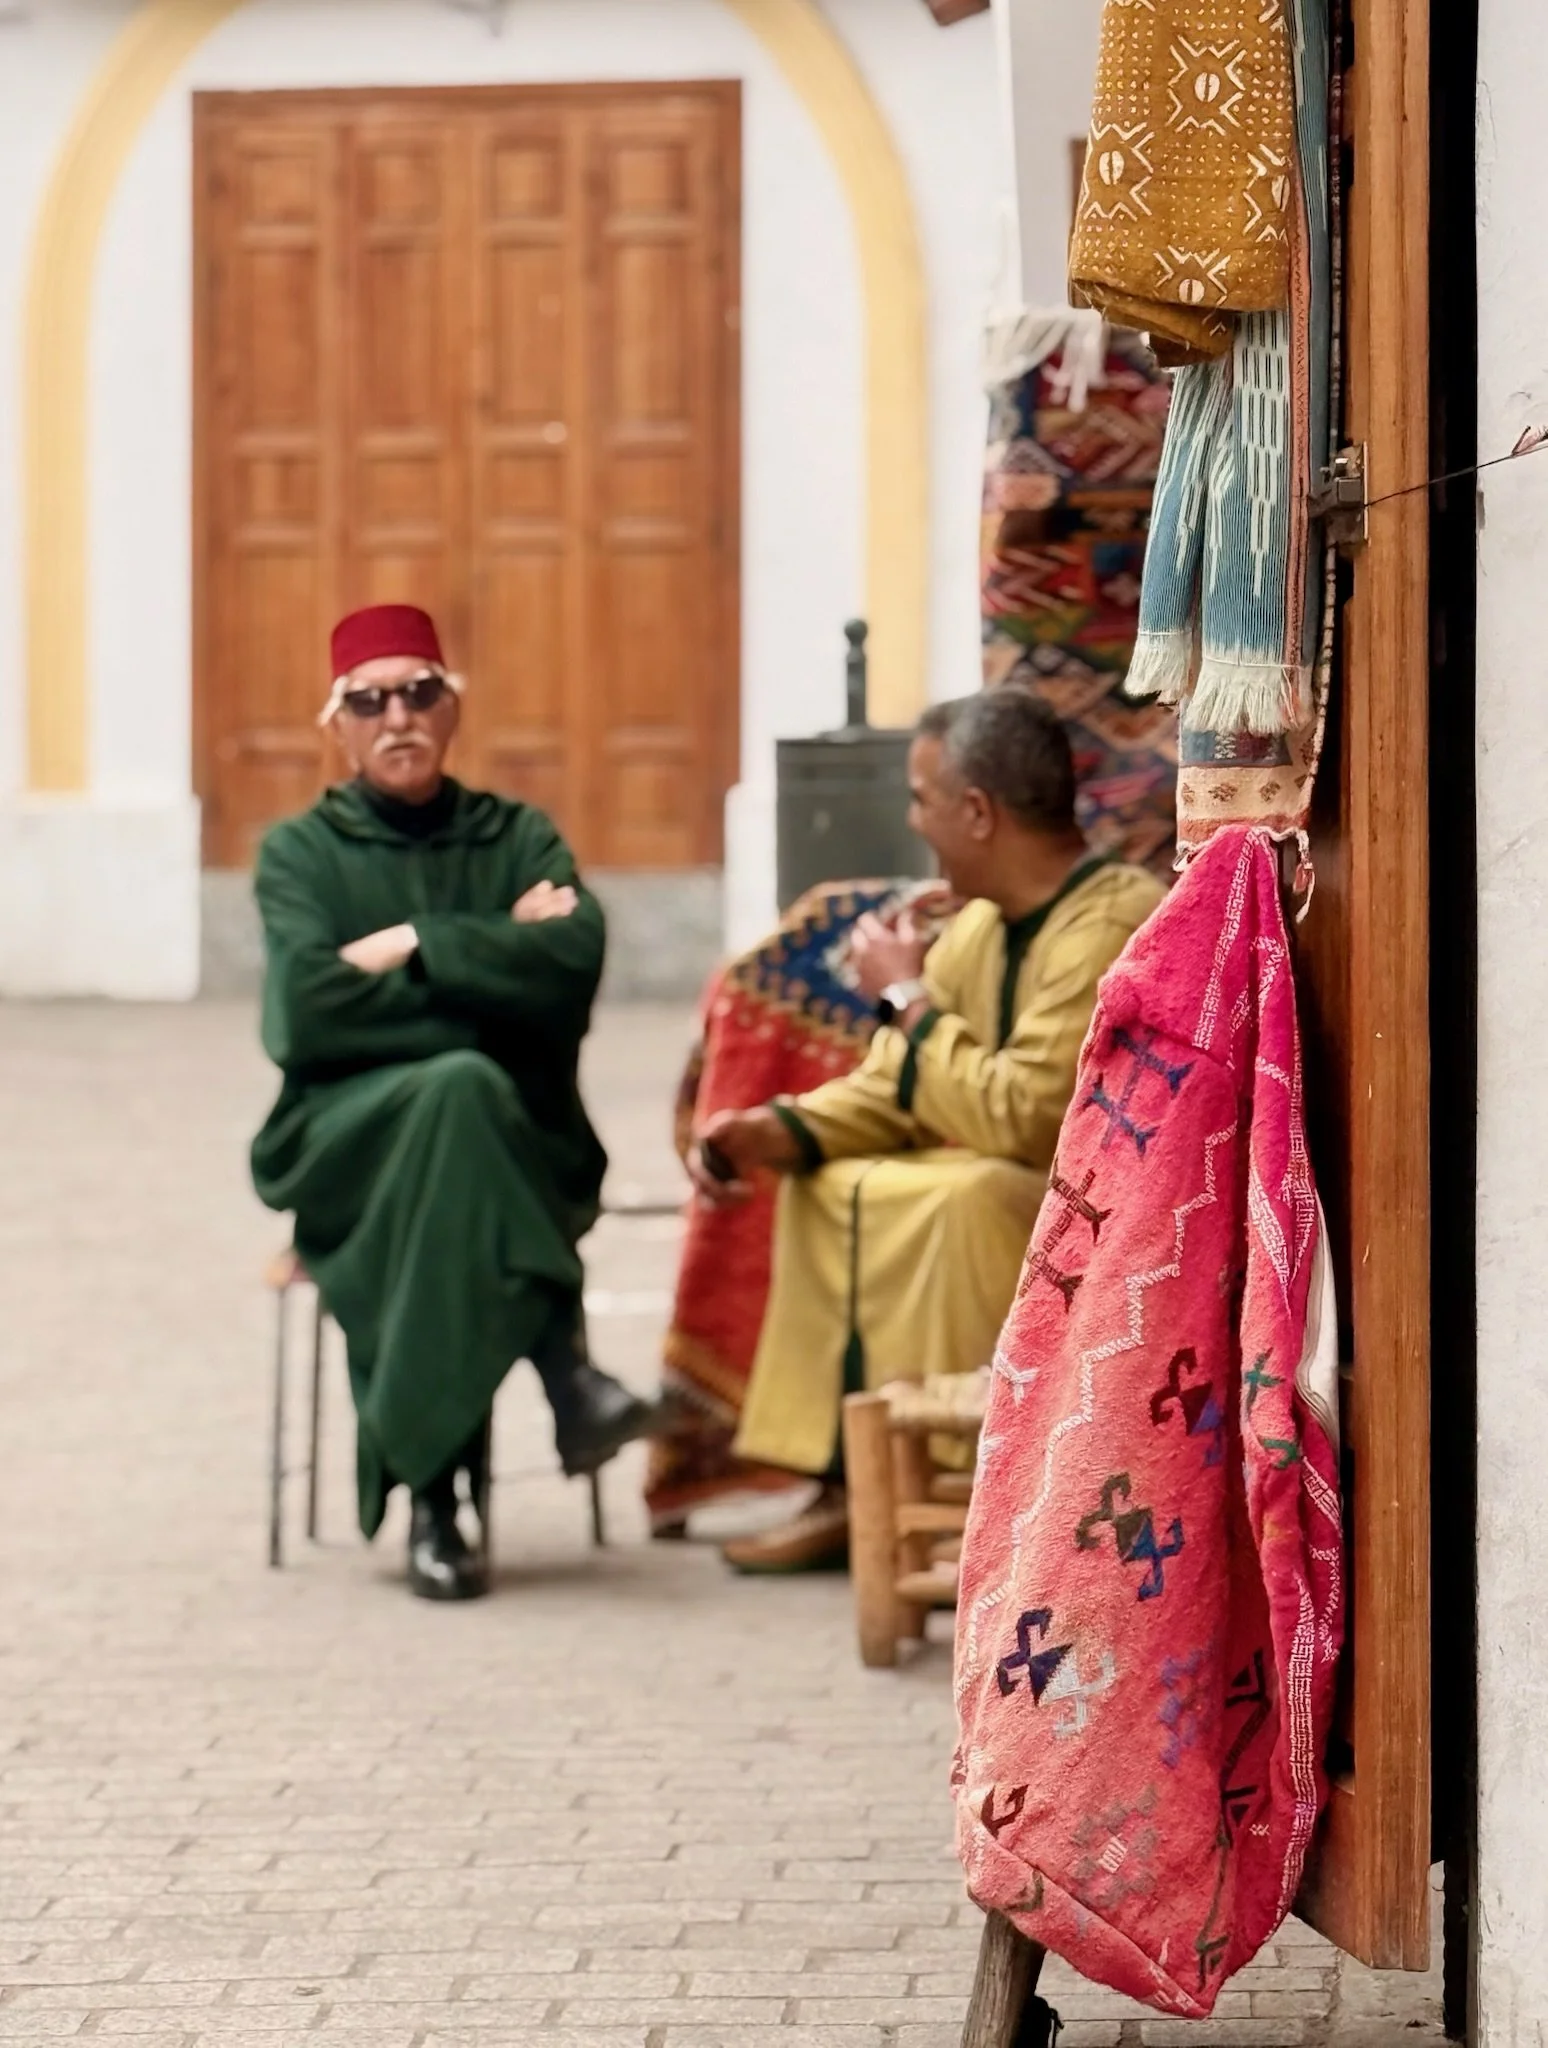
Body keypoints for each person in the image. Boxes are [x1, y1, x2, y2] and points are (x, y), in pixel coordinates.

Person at [689, 689, 1165, 1573]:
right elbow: (898, 1088)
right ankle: (847, 1483)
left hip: (1107, 1216)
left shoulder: (1108, 920)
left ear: (977, 813)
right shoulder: (979, 928)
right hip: (1020, 1186)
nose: (915, 822)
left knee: (969, 1190)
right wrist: (778, 1128)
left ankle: (964, 1487)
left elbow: (1026, 1119)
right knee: (830, 1179)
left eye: (921, 798)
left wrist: (906, 1001)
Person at [251, 603, 658, 1602]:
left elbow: (571, 965)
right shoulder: (300, 854)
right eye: (370, 698)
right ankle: (567, 1374)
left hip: (507, 1142)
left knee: (459, 1122)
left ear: (454, 707)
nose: (398, 714)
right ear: (336, 723)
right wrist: (490, 964)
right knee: (465, 1086)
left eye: (419, 691)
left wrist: (417, 947)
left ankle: (436, 1502)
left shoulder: (517, 835)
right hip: (347, 1140)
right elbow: (307, 1017)